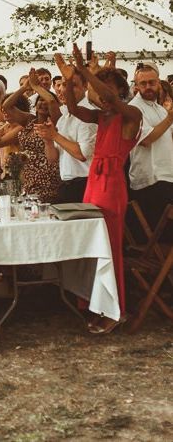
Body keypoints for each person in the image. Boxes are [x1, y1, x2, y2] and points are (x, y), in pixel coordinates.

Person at [56, 46, 142, 333]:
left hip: (111, 185)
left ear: (119, 91)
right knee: (91, 246)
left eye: (109, 90)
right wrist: (70, 80)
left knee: (110, 249)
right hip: (93, 182)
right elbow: (72, 108)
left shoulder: (131, 114)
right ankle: (93, 303)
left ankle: (116, 310)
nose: (103, 97)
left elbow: (106, 97)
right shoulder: (101, 117)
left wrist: (85, 71)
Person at [0, 72, 61, 203]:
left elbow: (51, 101)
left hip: (49, 177)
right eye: (40, 100)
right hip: (28, 178)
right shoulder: (30, 121)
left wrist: (37, 87)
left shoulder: (55, 123)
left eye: (45, 100)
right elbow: (6, 106)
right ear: (35, 105)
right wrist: (24, 88)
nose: (43, 103)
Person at [36, 70, 97, 203]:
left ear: (85, 86)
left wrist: (55, 135)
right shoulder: (65, 117)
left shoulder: (89, 114)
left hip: (84, 184)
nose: (64, 90)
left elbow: (83, 154)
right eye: (63, 85)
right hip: (67, 184)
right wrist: (48, 141)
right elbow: (53, 158)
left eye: (72, 85)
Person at [128, 63, 173, 241]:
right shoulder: (134, 108)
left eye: (152, 82)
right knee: (159, 238)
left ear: (159, 83)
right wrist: (170, 118)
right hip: (149, 181)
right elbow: (146, 140)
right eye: (143, 83)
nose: (148, 87)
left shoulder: (160, 109)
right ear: (136, 86)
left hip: (166, 176)